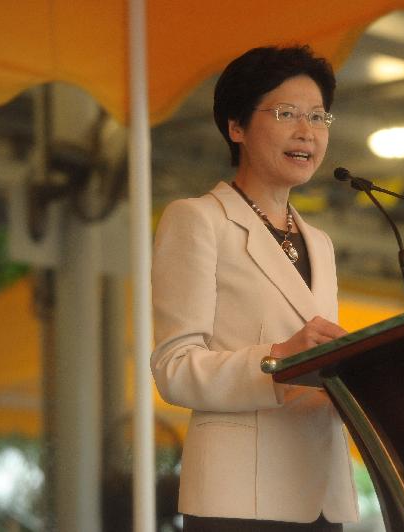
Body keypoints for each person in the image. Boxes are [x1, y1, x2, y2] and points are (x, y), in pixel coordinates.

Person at [150, 45, 359, 532]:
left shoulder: (320, 245)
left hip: (322, 495)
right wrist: (280, 360)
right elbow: (174, 368)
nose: (307, 131)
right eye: (286, 114)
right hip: (239, 498)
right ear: (236, 126)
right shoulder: (198, 220)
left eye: (318, 116)